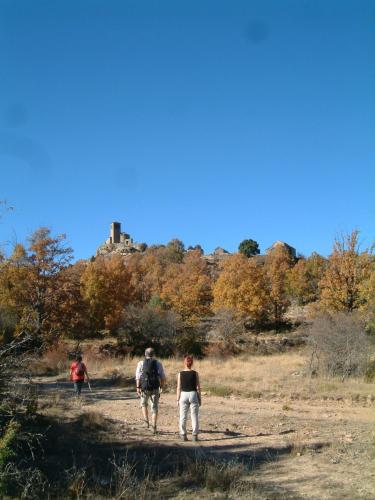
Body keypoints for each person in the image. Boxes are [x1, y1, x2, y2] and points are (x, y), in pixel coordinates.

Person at [135, 347, 166, 435]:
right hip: (155, 388)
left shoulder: (141, 363)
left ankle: (146, 422)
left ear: (145, 354)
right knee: (154, 407)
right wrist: (161, 386)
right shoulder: (158, 363)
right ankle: (154, 427)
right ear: (153, 354)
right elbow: (162, 377)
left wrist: (138, 387)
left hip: (144, 388)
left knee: (144, 404)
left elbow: (138, 376)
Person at [176, 354, 201, 442]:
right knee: (194, 416)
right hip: (193, 394)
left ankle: (183, 434)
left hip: (183, 395)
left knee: (183, 416)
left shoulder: (180, 374)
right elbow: (198, 387)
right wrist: (199, 398)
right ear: (192, 363)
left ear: (184, 363)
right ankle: (194, 435)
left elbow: (178, 387)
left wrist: (177, 399)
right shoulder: (195, 373)